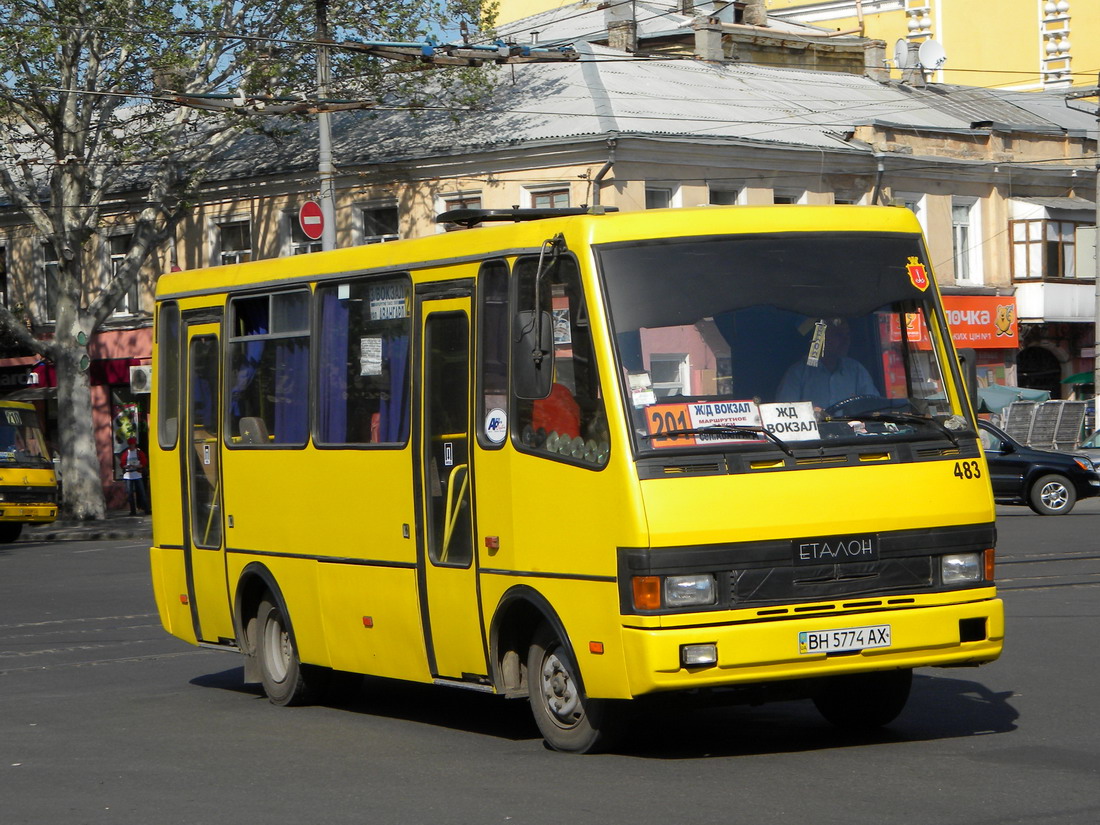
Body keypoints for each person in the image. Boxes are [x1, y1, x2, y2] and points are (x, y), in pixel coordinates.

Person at [776, 317, 878, 410]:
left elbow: (874, 407)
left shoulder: (856, 370)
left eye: (847, 335)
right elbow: (786, 413)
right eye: (837, 335)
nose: (845, 340)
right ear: (821, 339)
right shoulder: (798, 373)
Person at [120, 437, 151, 516]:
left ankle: (146, 509)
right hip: (128, 475)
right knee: (130, 494)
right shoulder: (125, 453)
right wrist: (126, 466)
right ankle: (133, 511)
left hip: (137, 474)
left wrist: (138, 466)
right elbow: (122, 464)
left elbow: (144, 462)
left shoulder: (139, 453)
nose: (132, 446)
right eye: (130, 444)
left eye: (133, 444)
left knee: (142, 493)